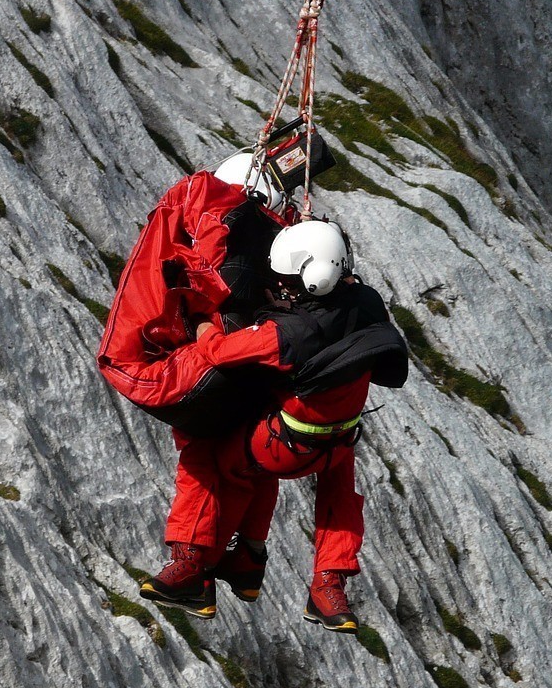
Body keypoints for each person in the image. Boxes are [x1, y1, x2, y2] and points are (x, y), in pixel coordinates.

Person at [140, 220, 408, 631]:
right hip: (339, 442)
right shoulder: (366, 301)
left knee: (208, 456)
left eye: (288, 281)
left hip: (284, 447)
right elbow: (328, 296)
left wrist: (201, 316)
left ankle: (193, 566)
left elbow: (217, 351)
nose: (282, 287)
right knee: (338, 497)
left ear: (309, 280)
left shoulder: (287, 335)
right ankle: (326, 587)